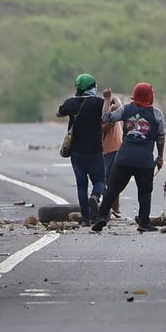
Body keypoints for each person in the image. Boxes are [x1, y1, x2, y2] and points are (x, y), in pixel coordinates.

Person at [91, 83, 165, 233]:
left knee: (112, 189)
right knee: (144, 192)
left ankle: (100, 217)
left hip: (124, 158)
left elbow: (107, 117)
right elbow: (161, 138)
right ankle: (144, 222)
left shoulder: (126, 109)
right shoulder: (157, 114)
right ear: (149, 96)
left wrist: (106, 99)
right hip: (144, 161)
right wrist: (160, 156)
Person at [57, 73, 105, 224]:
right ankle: (95, 197)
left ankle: (85, 218)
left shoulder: (71, 103)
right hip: (95, 151)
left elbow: (59, 113)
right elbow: (110, 113)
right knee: (99, 181)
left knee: (81, 185)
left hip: (77, 153)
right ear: (92, 87)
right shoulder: (98, 103)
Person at [102, 96, 123, 218]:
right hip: (108, 149)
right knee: (109, 181)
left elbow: (119, 106)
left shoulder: (114, 115)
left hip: (113, 148)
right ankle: (112, 209)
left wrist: (113, 99)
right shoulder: (108, 116)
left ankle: (114, 209)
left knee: (112, 181)